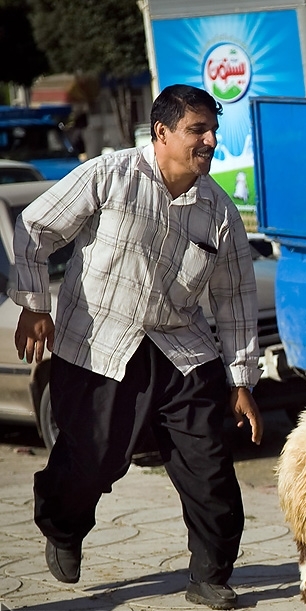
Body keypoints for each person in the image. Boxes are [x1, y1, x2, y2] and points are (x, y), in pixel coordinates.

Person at [10, 84, 263, 611]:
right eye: (198, 130)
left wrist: (241, 381)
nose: (211, 141)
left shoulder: (218, 211)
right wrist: (34, 305)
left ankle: (211, 573)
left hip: (182, 352)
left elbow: (235, 299)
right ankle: (62, 526)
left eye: (213, 130)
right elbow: (34, 226)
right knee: (91, 461)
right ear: (163, 132)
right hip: (100, 343)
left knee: (210, 467)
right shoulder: (109, 176)